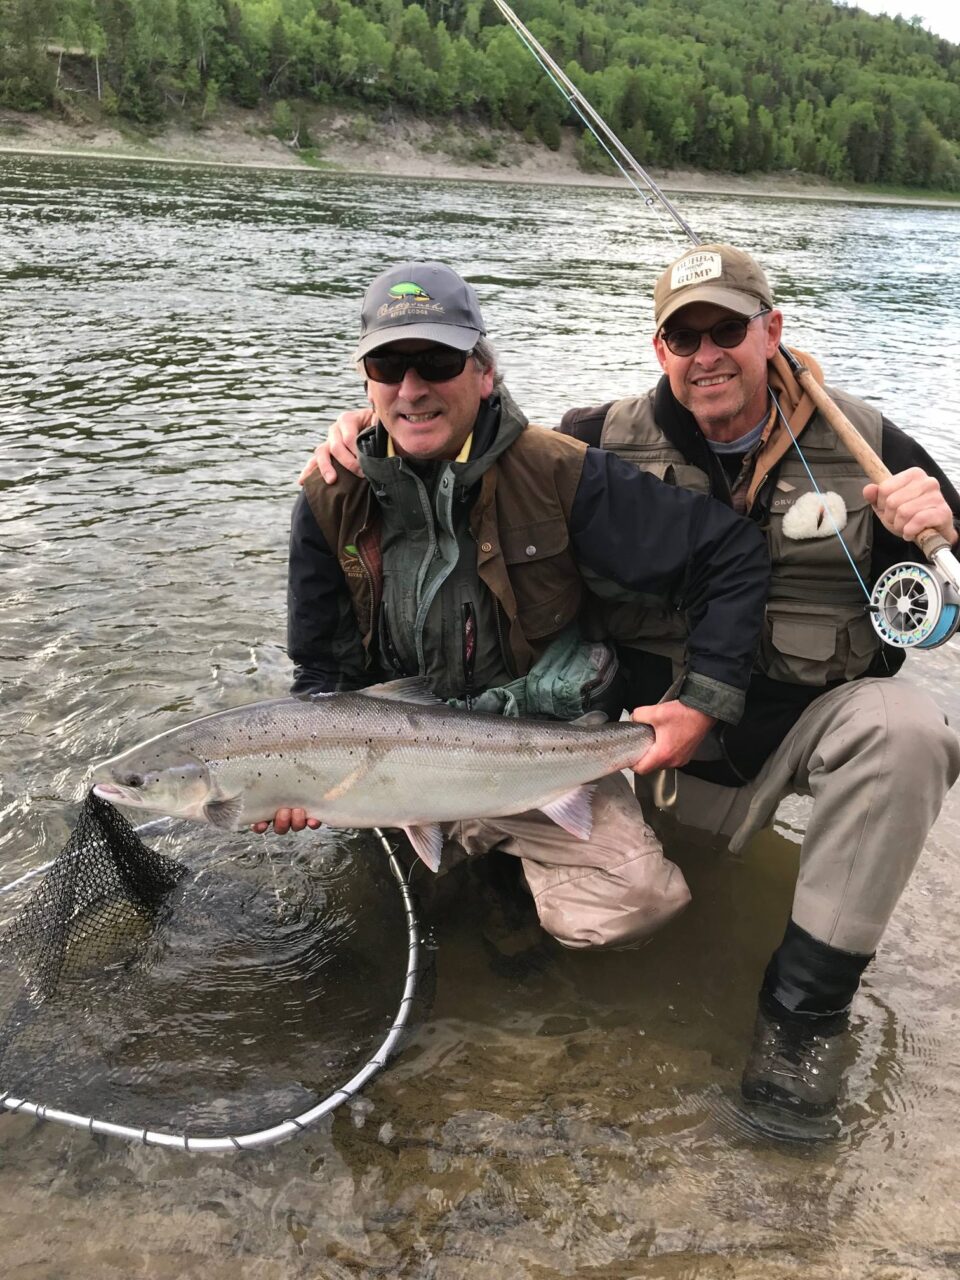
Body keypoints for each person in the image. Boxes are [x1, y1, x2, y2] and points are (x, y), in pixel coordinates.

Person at [304, 245, 960, 1133]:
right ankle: (498, 888)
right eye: (681, 335)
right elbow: (459, 441)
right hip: (642, 765)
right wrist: (376, 430)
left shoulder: (875, 452)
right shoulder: (596, 439)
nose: (706, 353)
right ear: (658, 350)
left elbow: (942, 605)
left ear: (772, 331)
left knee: (909, 728)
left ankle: (800, 1021)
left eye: (727, 328)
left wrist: (948, 534)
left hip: (780, 747)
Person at [270, 257, 770, 960]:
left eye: (437, 362)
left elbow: (731, 553)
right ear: (366, 383)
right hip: (393, 771)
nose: (412, 390)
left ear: (483, 372)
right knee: (357, 932)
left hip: (541, 755)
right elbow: (318, 676)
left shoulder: (562, 474)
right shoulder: (330, 497)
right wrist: (294, 779)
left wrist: (703, 703)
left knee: (635, 907)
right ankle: (470, 868)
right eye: (389, 368)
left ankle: (506, 865)